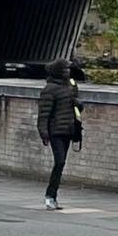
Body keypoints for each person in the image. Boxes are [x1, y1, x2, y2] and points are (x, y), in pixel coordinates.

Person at [35, 61, 84, 209]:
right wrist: (44, 133)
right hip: (55, 131)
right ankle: (50, 195)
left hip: (68, 130)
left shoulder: (70, 87)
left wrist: (77, 103)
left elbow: (77, 107)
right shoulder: (49, 90)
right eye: (65, 69)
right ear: (58, 71)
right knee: (60, 161)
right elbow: (43, 114)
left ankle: (53, 196)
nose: (68, 71)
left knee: (61, 164)